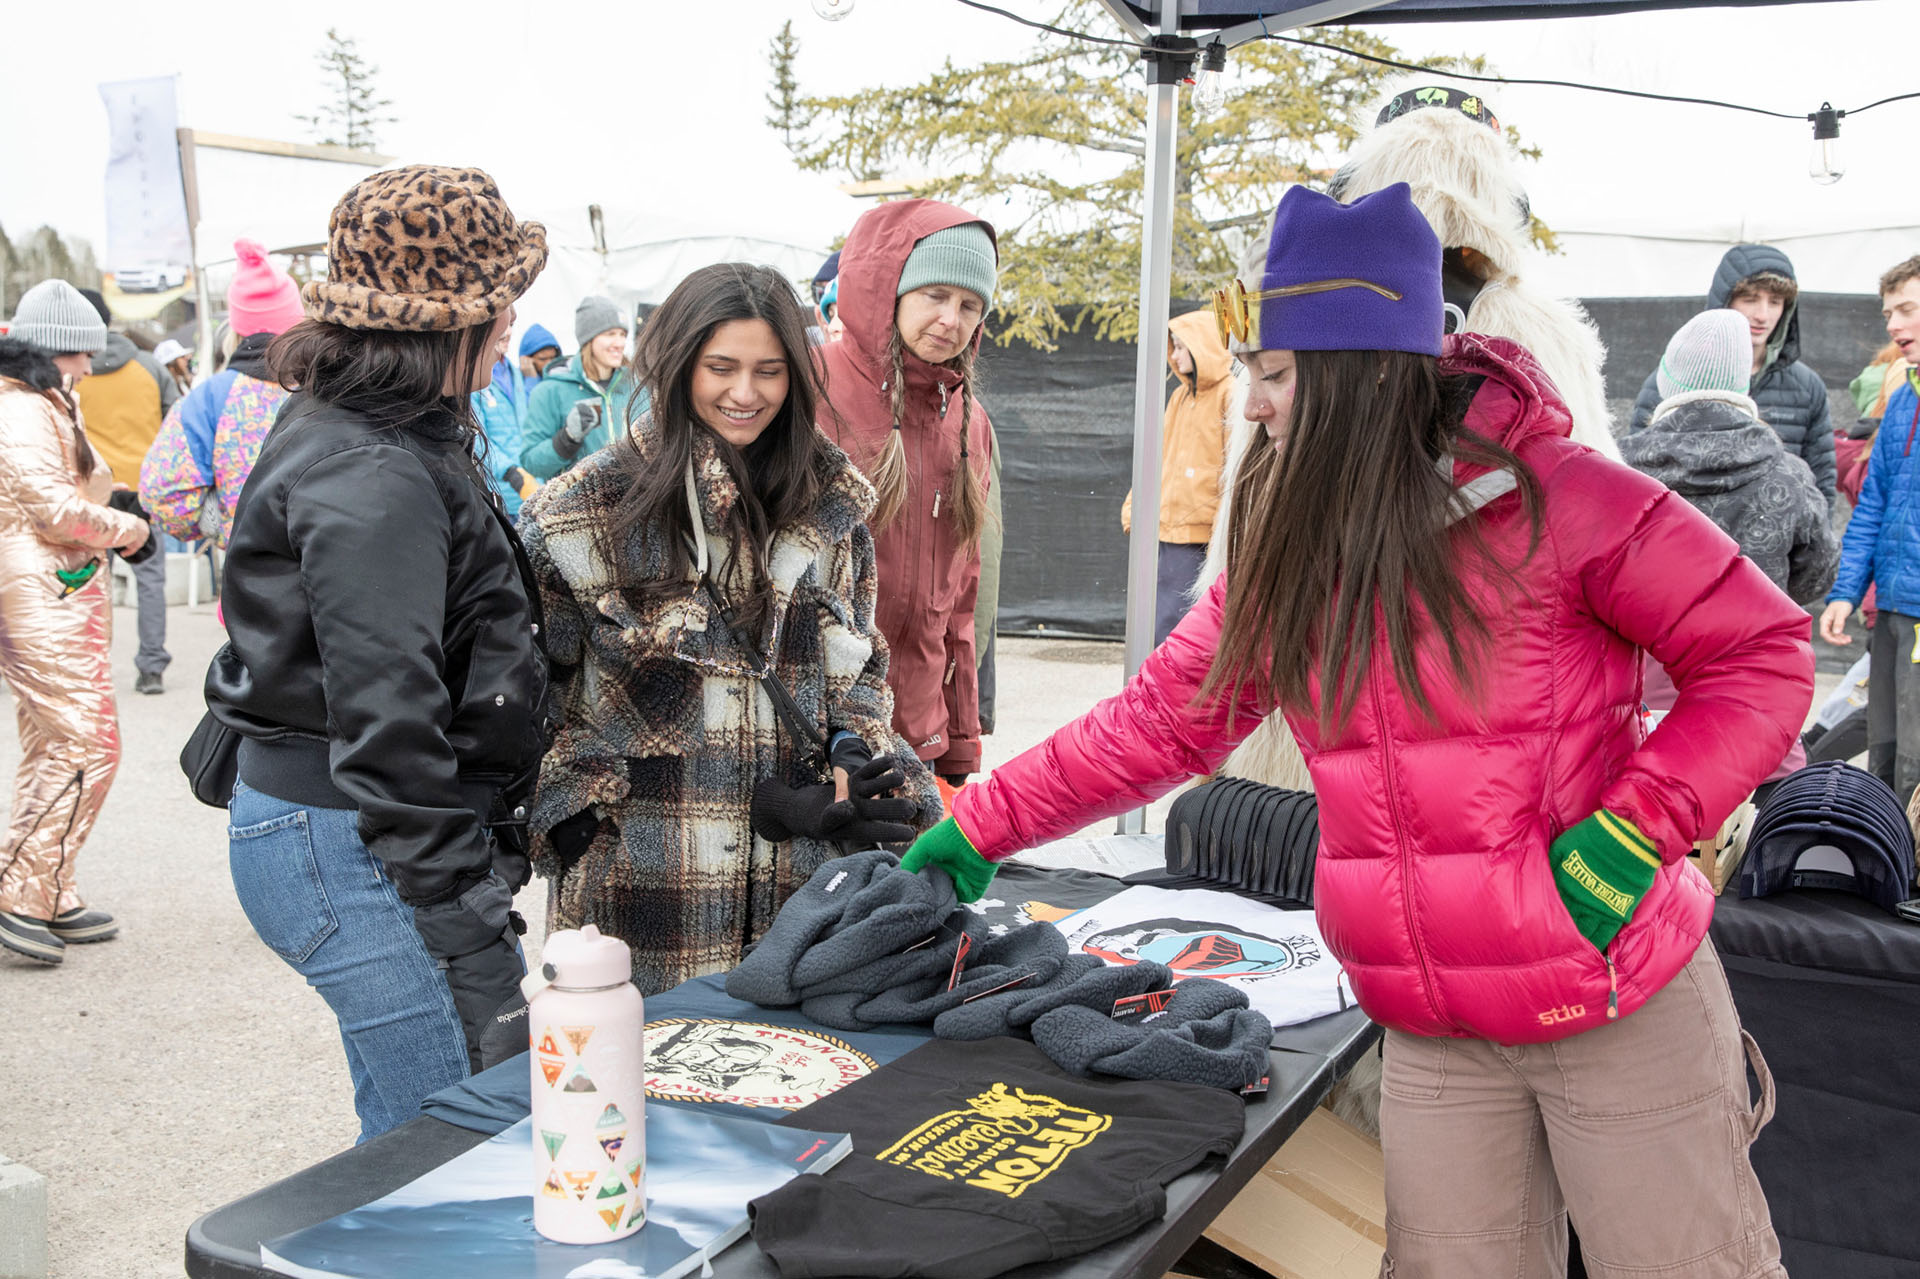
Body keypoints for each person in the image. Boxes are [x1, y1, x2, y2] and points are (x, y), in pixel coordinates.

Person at [902, 184, 1809, 1279]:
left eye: (1276, 377)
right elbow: (1158, 723)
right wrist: (978, 824)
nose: (1254, 407)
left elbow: (1760, 656)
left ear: (1362, 373)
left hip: (1608, 994)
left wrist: (1629, 837)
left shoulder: (1569, 500)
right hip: (1434, 1024)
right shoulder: (1295, 543)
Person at [204, 166, 550, 1141]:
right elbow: (387, 720)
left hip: (354, 829)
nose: (515, 318)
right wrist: (472, 937)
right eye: (503, 300)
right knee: (453, 1144)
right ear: (450, 322)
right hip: (354, 838)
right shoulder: (373, 465)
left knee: (408, 1134)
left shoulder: (389, 428)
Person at [522, 262, 939, 994]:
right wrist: (581, 826)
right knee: (632, 1097)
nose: (745, 393)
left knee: (793, 1092)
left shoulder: (830, 508)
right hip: (643, 902)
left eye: (769, 371)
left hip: (804, 903)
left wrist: (852, 757)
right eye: (721, 367)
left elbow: (862, 669)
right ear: (679, 363)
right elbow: (530, 706)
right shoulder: (582, 514)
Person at [1327, 83, 1620, 460]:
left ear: (1363, 181)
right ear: (1499, 195)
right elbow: (1591, 478)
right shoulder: (1549, 332)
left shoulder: (1311, 320)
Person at [817, 200, 997, 804]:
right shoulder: (809, 388)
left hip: (914, 736)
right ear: (887, 289)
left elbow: (962, 594)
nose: (951, 318)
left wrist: (961, 734)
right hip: (814, 726)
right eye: (935, 295)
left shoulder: (971, 425)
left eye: (970, 305)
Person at [1622, 308, 1837, 801]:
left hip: (1639, 723)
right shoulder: (1789, 475)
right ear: (1742, 384)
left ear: (1668, 379)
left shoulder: (1618, 467)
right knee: (1748, 865)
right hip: (1755, 723)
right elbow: (1817, 575)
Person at [0, 279, 150, 962]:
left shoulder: (39, 401)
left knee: (54, 745)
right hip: (40, 594)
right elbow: (56, 510)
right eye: (81, 354)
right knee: (90, 744)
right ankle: (18, 889)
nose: (90, 366)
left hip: (52, 592)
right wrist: (127, 527)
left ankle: (47, 883)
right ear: (52, 350)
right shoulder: (25, 410)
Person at [1820, 255, 1920, 801]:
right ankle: (1892, 874)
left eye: (1907, 310)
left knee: (1916, 759)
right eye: (1888, 314)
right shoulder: (1903, 400)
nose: (1893, 326)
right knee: (1885, 752)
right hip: (1893, 614)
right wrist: (1845, 591)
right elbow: (1873, 506)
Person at [1631, 245, 1835, 506]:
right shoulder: (1669, 380)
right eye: (1750, 299)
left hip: (1773, 539)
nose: (1762, 315)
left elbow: (1823, 483)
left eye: (1775, 302)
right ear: (1725, 301)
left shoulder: (1807, 387)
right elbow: (1637, 474)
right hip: (1686, 534)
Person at [140, 239, 301, 556]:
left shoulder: (208, 399)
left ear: (236, 328)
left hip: (248, 583)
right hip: (328, 582)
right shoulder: (326, 390)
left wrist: (224, 521)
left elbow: (162, 493)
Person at [71, 288, 178, 694]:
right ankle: (151, 666)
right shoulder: (149, 367)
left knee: (87, 579)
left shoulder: (71, 370)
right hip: (142, 488)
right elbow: (173, 427)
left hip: (92, 489)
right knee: (149, 578)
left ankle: (88, 667)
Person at [1122, 311, 1231, 646]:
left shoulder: (1230, 395)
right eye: (1176, 347)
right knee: (1162, 622)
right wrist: (1134, 507)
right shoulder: (1179, 397)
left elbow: (1234, 468)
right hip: (1168, 530)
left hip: (1201, 536)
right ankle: (1160, 692)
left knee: (1181, 627)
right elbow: (1161, 456)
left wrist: (1223, 532)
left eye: (1183, 347)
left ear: (1204, 347)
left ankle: (1174, 695)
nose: (1176, 355)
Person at [520, 296, 645, 481]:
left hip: (634, 503)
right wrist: (567, 439)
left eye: (622, 334)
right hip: (578, 506)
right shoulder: (551, 391)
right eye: (610, 334)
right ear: (589, 339)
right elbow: (531, 463)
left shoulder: (637, 387)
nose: (619, 343)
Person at [472, 323, 539, 519]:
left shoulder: (515, 372)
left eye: (511, 324)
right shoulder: (475, 378)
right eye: (501, 324)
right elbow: (475, 436)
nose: (507, 332)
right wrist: (510, 472)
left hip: (531, 490)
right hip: (501, 494)